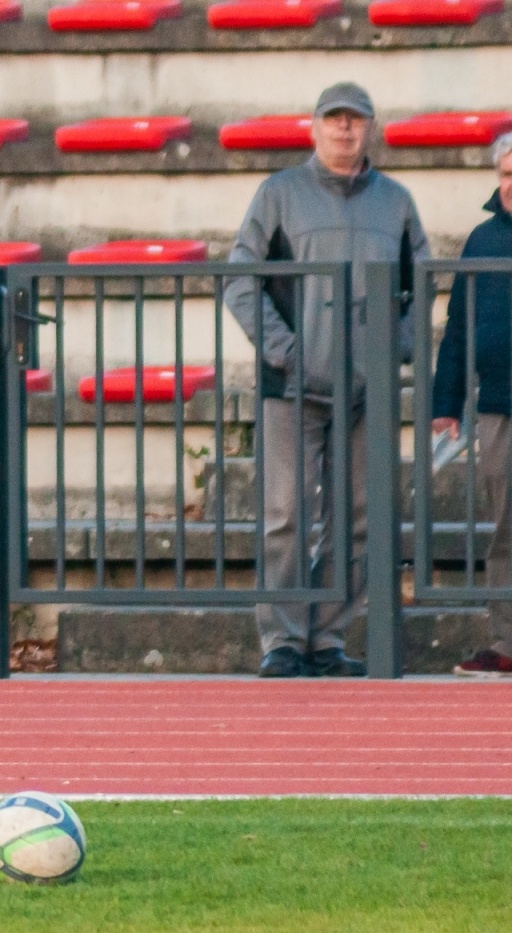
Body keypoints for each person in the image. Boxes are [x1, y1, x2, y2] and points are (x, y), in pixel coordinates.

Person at [225, 82, 429, 678]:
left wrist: (395, 350)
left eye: (355, 119)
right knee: (285, 516)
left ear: (370, 128)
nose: (344, 128)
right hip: (292, 389)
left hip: (368, 393)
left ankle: (327, 638)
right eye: (334, 118)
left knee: (360, 520)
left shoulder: (396, 202)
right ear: (314, 127)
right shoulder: (278, 194)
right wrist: (286, 352)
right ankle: (282, 641)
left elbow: (421, 285)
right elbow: (240, 278)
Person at [432, 133, 512, 677]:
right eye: (506, 174)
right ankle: (508, 642)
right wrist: (447, 402)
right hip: (498, 406)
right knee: (506, 529)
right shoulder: (481, 240)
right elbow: (458, 327)